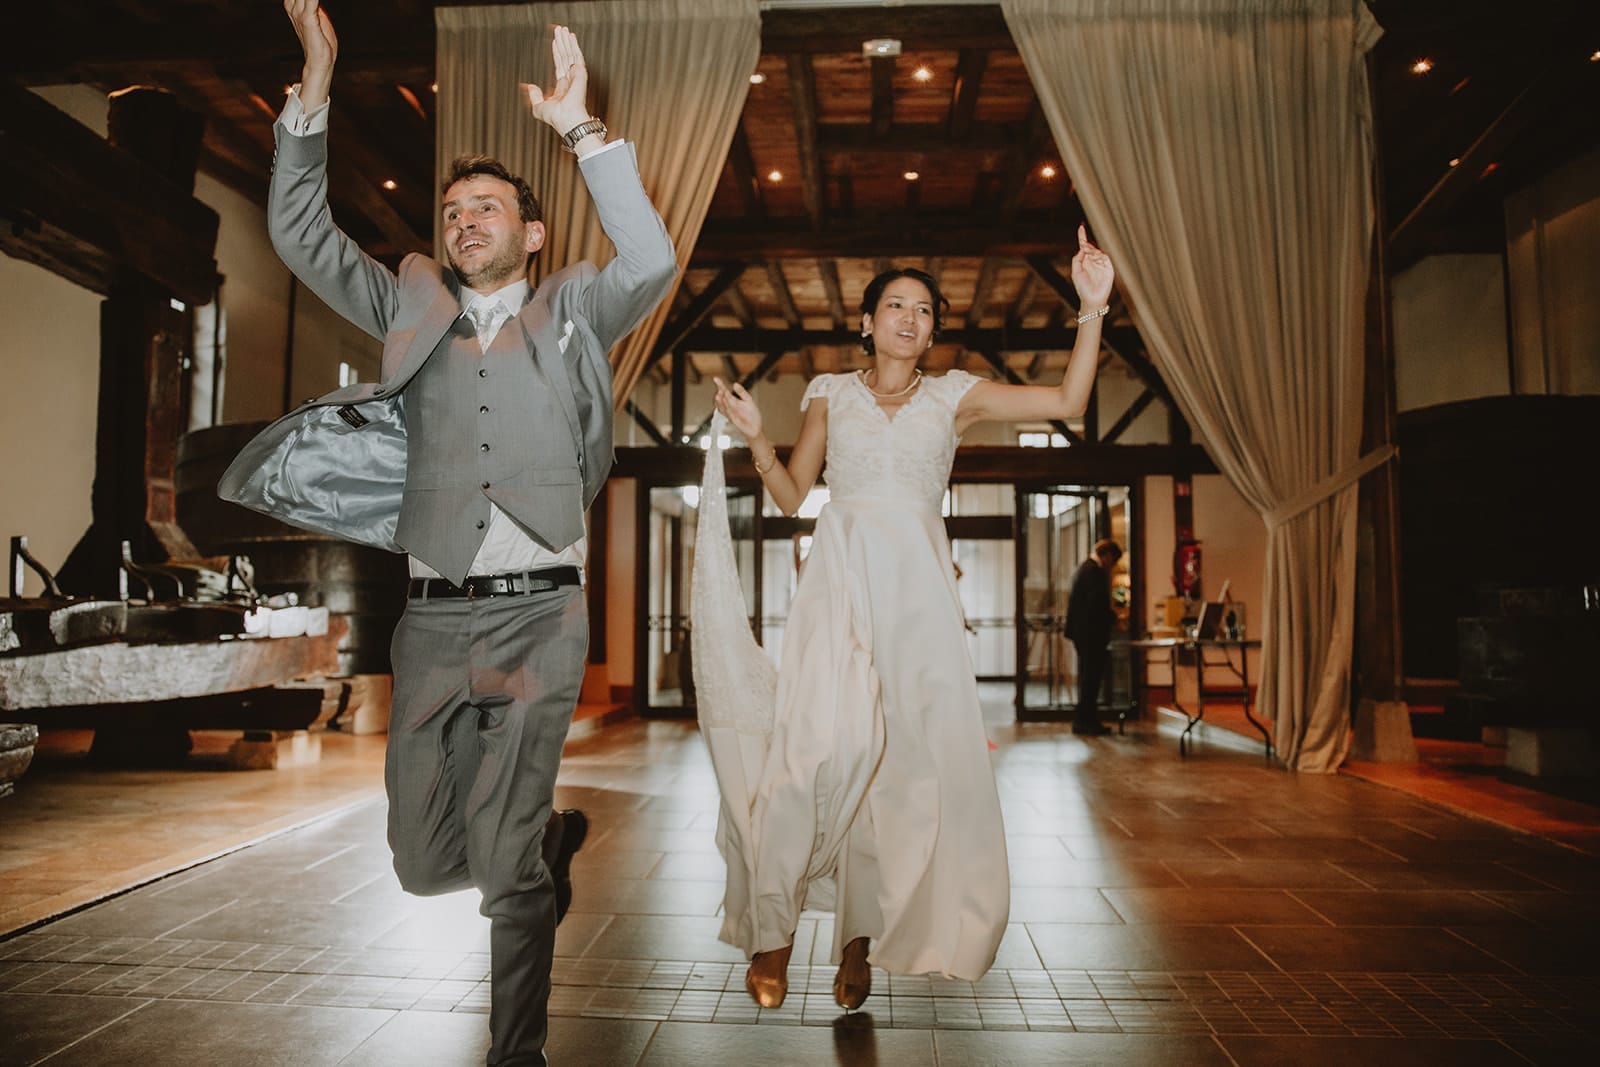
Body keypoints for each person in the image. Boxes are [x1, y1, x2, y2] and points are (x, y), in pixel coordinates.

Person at [219, 4, 677, 1063]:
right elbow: (299, 235)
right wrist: (317, 82)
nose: (467, 218)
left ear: (532, 233)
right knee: (424, 863)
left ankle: (516, 1044)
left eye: (489, 207)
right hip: (428, 625)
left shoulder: (572, 309)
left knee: (504, 864)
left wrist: (581, 133)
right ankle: (537, 849)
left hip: (539, 621)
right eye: (455, 207)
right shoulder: (407, 304)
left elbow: (647, 259)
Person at [700, 226, 1114, 1011]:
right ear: (866, 321)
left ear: (932, 329)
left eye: (924, 309)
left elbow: (1069, 400)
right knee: (812, 752)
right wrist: (758, 439)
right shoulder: (829, 392)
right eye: (895, 304)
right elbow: (793, 498)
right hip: (838, 587)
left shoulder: (957, 395)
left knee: (893, 771)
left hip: (918, 600)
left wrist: (1091, 308)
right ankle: (773, 932)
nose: (910, 318)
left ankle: (858, 942)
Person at [1064, 538, 1124, 736]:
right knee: (1091, 679)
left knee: (1088, 679)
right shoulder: (1093, 572)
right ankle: (1086, 721)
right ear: (1106, 556)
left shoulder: (1085, 569)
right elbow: (1096, 605)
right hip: (1090, 634)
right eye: (1113, 561)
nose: (1111, 566)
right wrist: (1113, 617)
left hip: (1084, 634)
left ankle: (1086, 720)